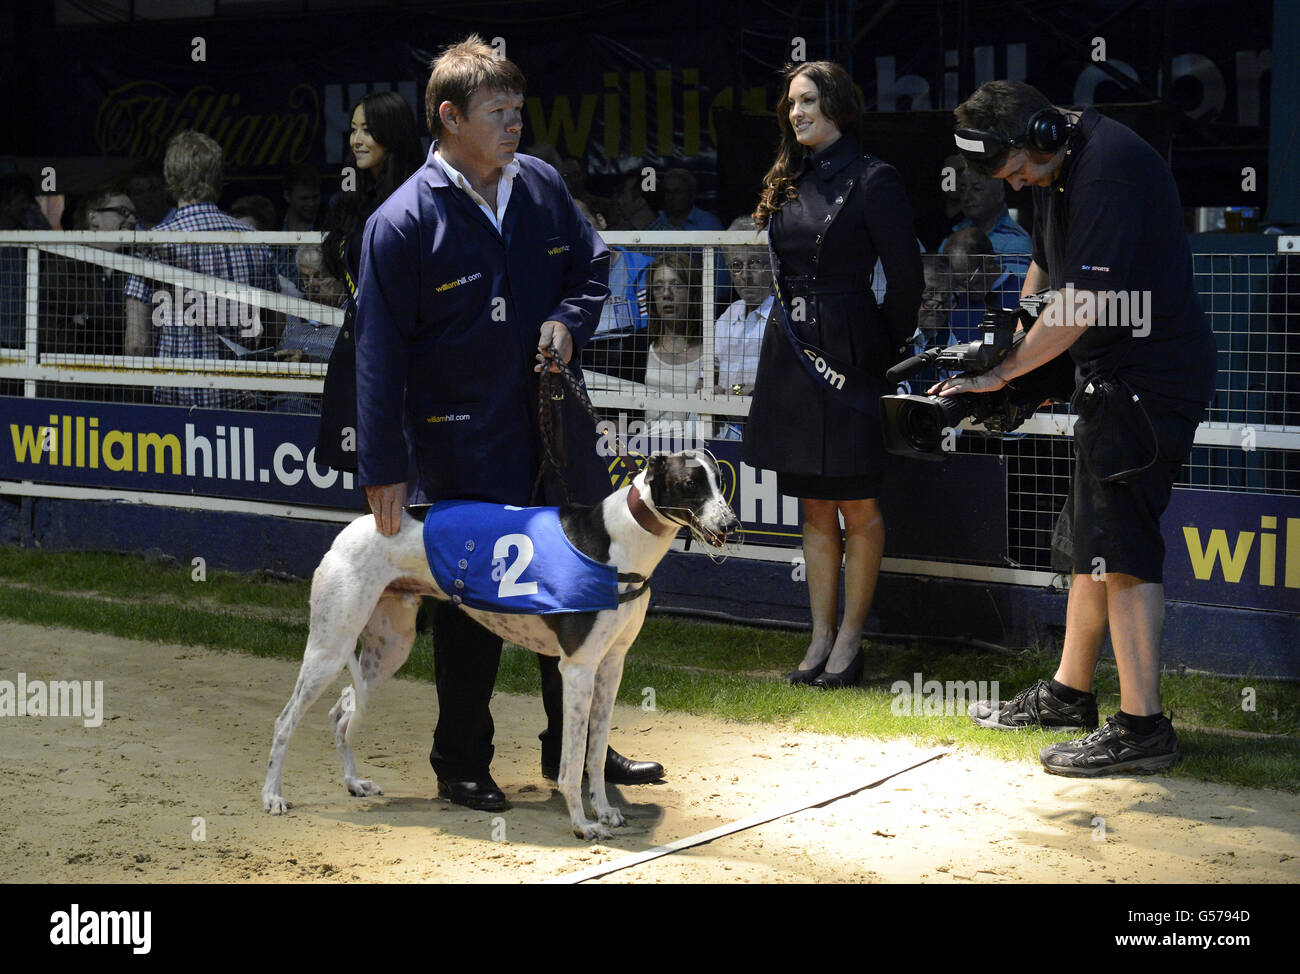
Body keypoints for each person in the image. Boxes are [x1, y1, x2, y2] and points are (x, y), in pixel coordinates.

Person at [354, 35, 661, 812]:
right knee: (470, 605)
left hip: (552, 433)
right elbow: (377, 353)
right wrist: (383, 464)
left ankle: (579, 752)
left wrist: (567, 318)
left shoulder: (543, 186)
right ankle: (461, 762)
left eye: (520, 110)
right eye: (499, 111)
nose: (515, 123)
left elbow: (598, 268)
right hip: (460, 441)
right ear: (450, 117)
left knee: (583, 585)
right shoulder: (398, 222)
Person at [939, 80, 1217, 775]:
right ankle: (1069, 694)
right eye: (1006, 178)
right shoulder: (1051, 164)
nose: (1019, 182)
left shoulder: (1110, 167)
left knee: (1121, 549)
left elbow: (1085, 302)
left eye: (1019, 170)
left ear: (1042, 131)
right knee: (1094, 540)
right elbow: (1045, 264)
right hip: (1108, 377)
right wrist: (1017, 341)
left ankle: (1143, 728)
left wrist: (1005, 375)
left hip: (1147, 380)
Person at [744, 60, 923, 688]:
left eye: (809, 100)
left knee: (857, 500)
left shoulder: (876, 180)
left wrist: (875, 349)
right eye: (790, 103)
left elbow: (907, 283)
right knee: (816, 502)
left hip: (850, 352)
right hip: (792, 352)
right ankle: (819, 637)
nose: (796, 113)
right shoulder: (788, 178)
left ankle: (851, 641)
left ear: (838, 106)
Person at [122, 130, 279, 407]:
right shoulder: (256, 243)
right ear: (219, 178)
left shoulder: (152, 245)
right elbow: (274, 326)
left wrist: (138, 409)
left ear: (170, 180)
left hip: (178, 402)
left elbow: (137, 343)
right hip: (243, 403)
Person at [314, 90, 425, 472]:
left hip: (405, 358)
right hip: (355, 350)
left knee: (406, 473)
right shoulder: (353, 194)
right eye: (353, 129)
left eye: (367, 130)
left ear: (392, 134)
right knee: (364, 473)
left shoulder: (420, 195)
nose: (356, 140)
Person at [713, 215, 773, 439]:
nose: (745, 276)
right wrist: (709, 389)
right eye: (736, 266)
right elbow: (708, 372)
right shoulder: (729, 314)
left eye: (755, 263)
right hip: (726, 431)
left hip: (768, 427)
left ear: (771, 264)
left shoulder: (782, 315)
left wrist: (738, 391)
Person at [644, 252, 709, 443]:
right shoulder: (637, 345)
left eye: (676, 285)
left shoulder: (713, 345)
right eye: (658, 288)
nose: (666, 294)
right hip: (643, 448)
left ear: (694, 292)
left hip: (696, 450)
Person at [940, 165, 1032, 276]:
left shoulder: (1016, 242)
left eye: (977, 189)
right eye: (962, 190)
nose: (966, 197)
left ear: (999, 195)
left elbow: (1012, 291)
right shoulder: (954, 233)